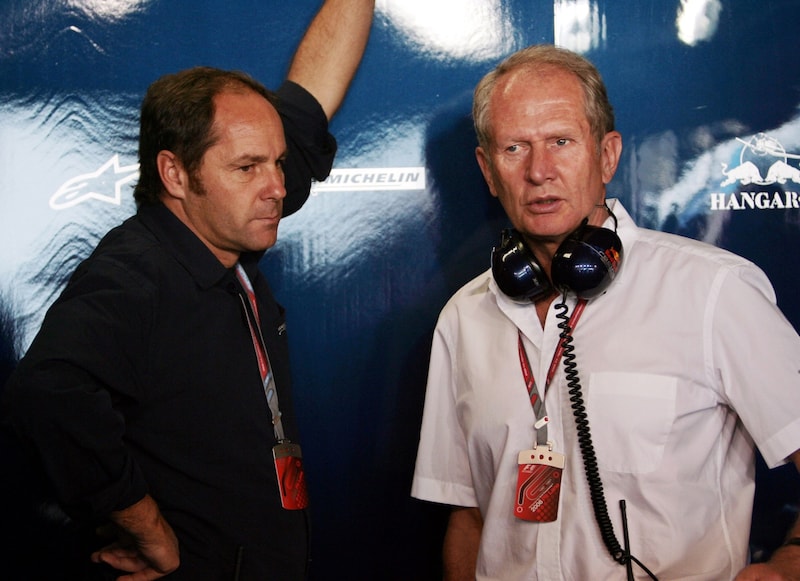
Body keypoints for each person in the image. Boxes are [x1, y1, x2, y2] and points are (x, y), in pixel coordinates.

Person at [0, 1, 374, 579]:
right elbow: (49, 392)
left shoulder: (234, 220)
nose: (277, 186)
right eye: (248, 167)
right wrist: (150, 533)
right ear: (176, 174)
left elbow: (310, 97)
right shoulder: (135, 272)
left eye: (277, 162)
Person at [411, 44, 800, 580]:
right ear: (487, 169)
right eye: (515, 148)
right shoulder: (464, 317)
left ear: (608, 155)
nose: (539, 171)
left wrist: (789, 563)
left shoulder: (714, 291)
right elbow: (471, 519)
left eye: (561, 142)